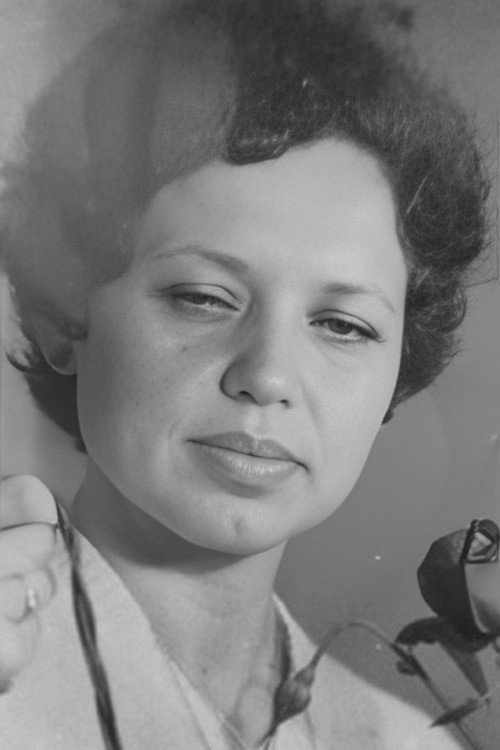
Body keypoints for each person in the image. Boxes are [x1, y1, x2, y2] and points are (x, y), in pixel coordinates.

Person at [0, 1, 492, 747]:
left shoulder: (407, 742)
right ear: (63, 315)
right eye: (202, 298)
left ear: (398, 371)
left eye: (344, 325)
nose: (268, 376)